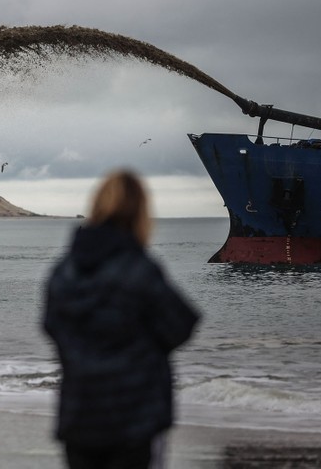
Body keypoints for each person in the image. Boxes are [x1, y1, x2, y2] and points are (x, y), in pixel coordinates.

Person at [43, 170, 199, 469]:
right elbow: (181, 325)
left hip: (80, 415)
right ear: (140, 212)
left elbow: (51, 326)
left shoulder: (63, 271)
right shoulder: (138, 268)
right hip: (135, 418)